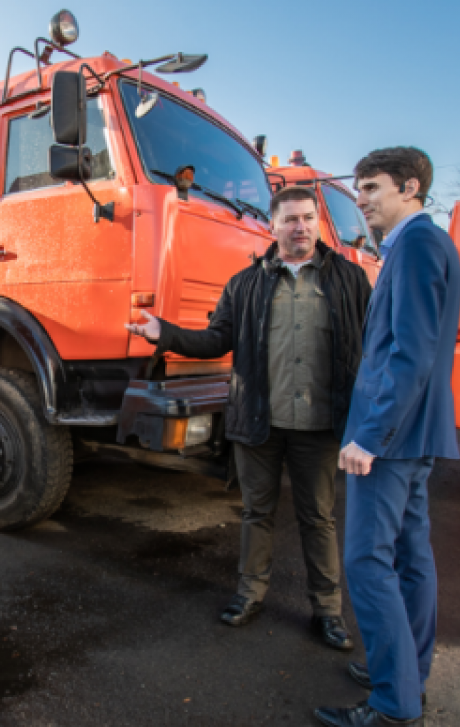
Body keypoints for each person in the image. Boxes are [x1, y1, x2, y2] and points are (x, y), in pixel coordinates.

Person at [125, 186, 371, 651]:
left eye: (307, 219)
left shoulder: (349, 279)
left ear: (317, 223)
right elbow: (217, 339)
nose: (300, 227)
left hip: (320, 425)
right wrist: (166, 333)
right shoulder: (245, 283)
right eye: (290, 220)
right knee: (257, 512)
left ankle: (328, 611)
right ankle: (250, 594)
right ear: (272, 226)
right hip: (261, 421)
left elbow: (374, 341)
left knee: (318, 518)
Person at [314, 148, 460, 727]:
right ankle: (404, 671)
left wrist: (369, 435)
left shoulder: (417, 245)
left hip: (391, 436)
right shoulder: (420, 245)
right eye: (359, 189)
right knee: (409, 556)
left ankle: (395, 704)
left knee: (367, 562)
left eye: (372, 187)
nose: (361, 199)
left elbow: (410, 352)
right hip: (413, 433)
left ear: (410, 188)